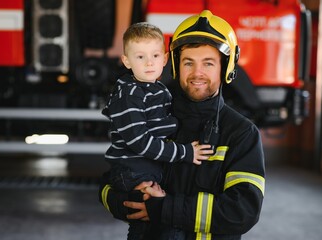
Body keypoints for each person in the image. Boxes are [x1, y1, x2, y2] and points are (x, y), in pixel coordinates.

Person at [99, 10, 265, 240]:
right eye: (189, 62)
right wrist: (130, 202)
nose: (197, 73)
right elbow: (108, 184)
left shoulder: (241, 133)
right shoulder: (155, 117)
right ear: (176, 65)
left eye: (208, 63)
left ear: (225, 68)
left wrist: (163, 208)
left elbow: (242, 212)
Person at [101, 22, 211, 240]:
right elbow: (140, 141)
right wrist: (185, 153)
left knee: (155, 221)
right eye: (140, 57)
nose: (149, 62)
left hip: (150, 166)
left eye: (154, 55)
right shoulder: (129, 94)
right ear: (126, 61)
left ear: (165, 58)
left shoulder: (158, 88)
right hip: (134, 170)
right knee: (143, 223)